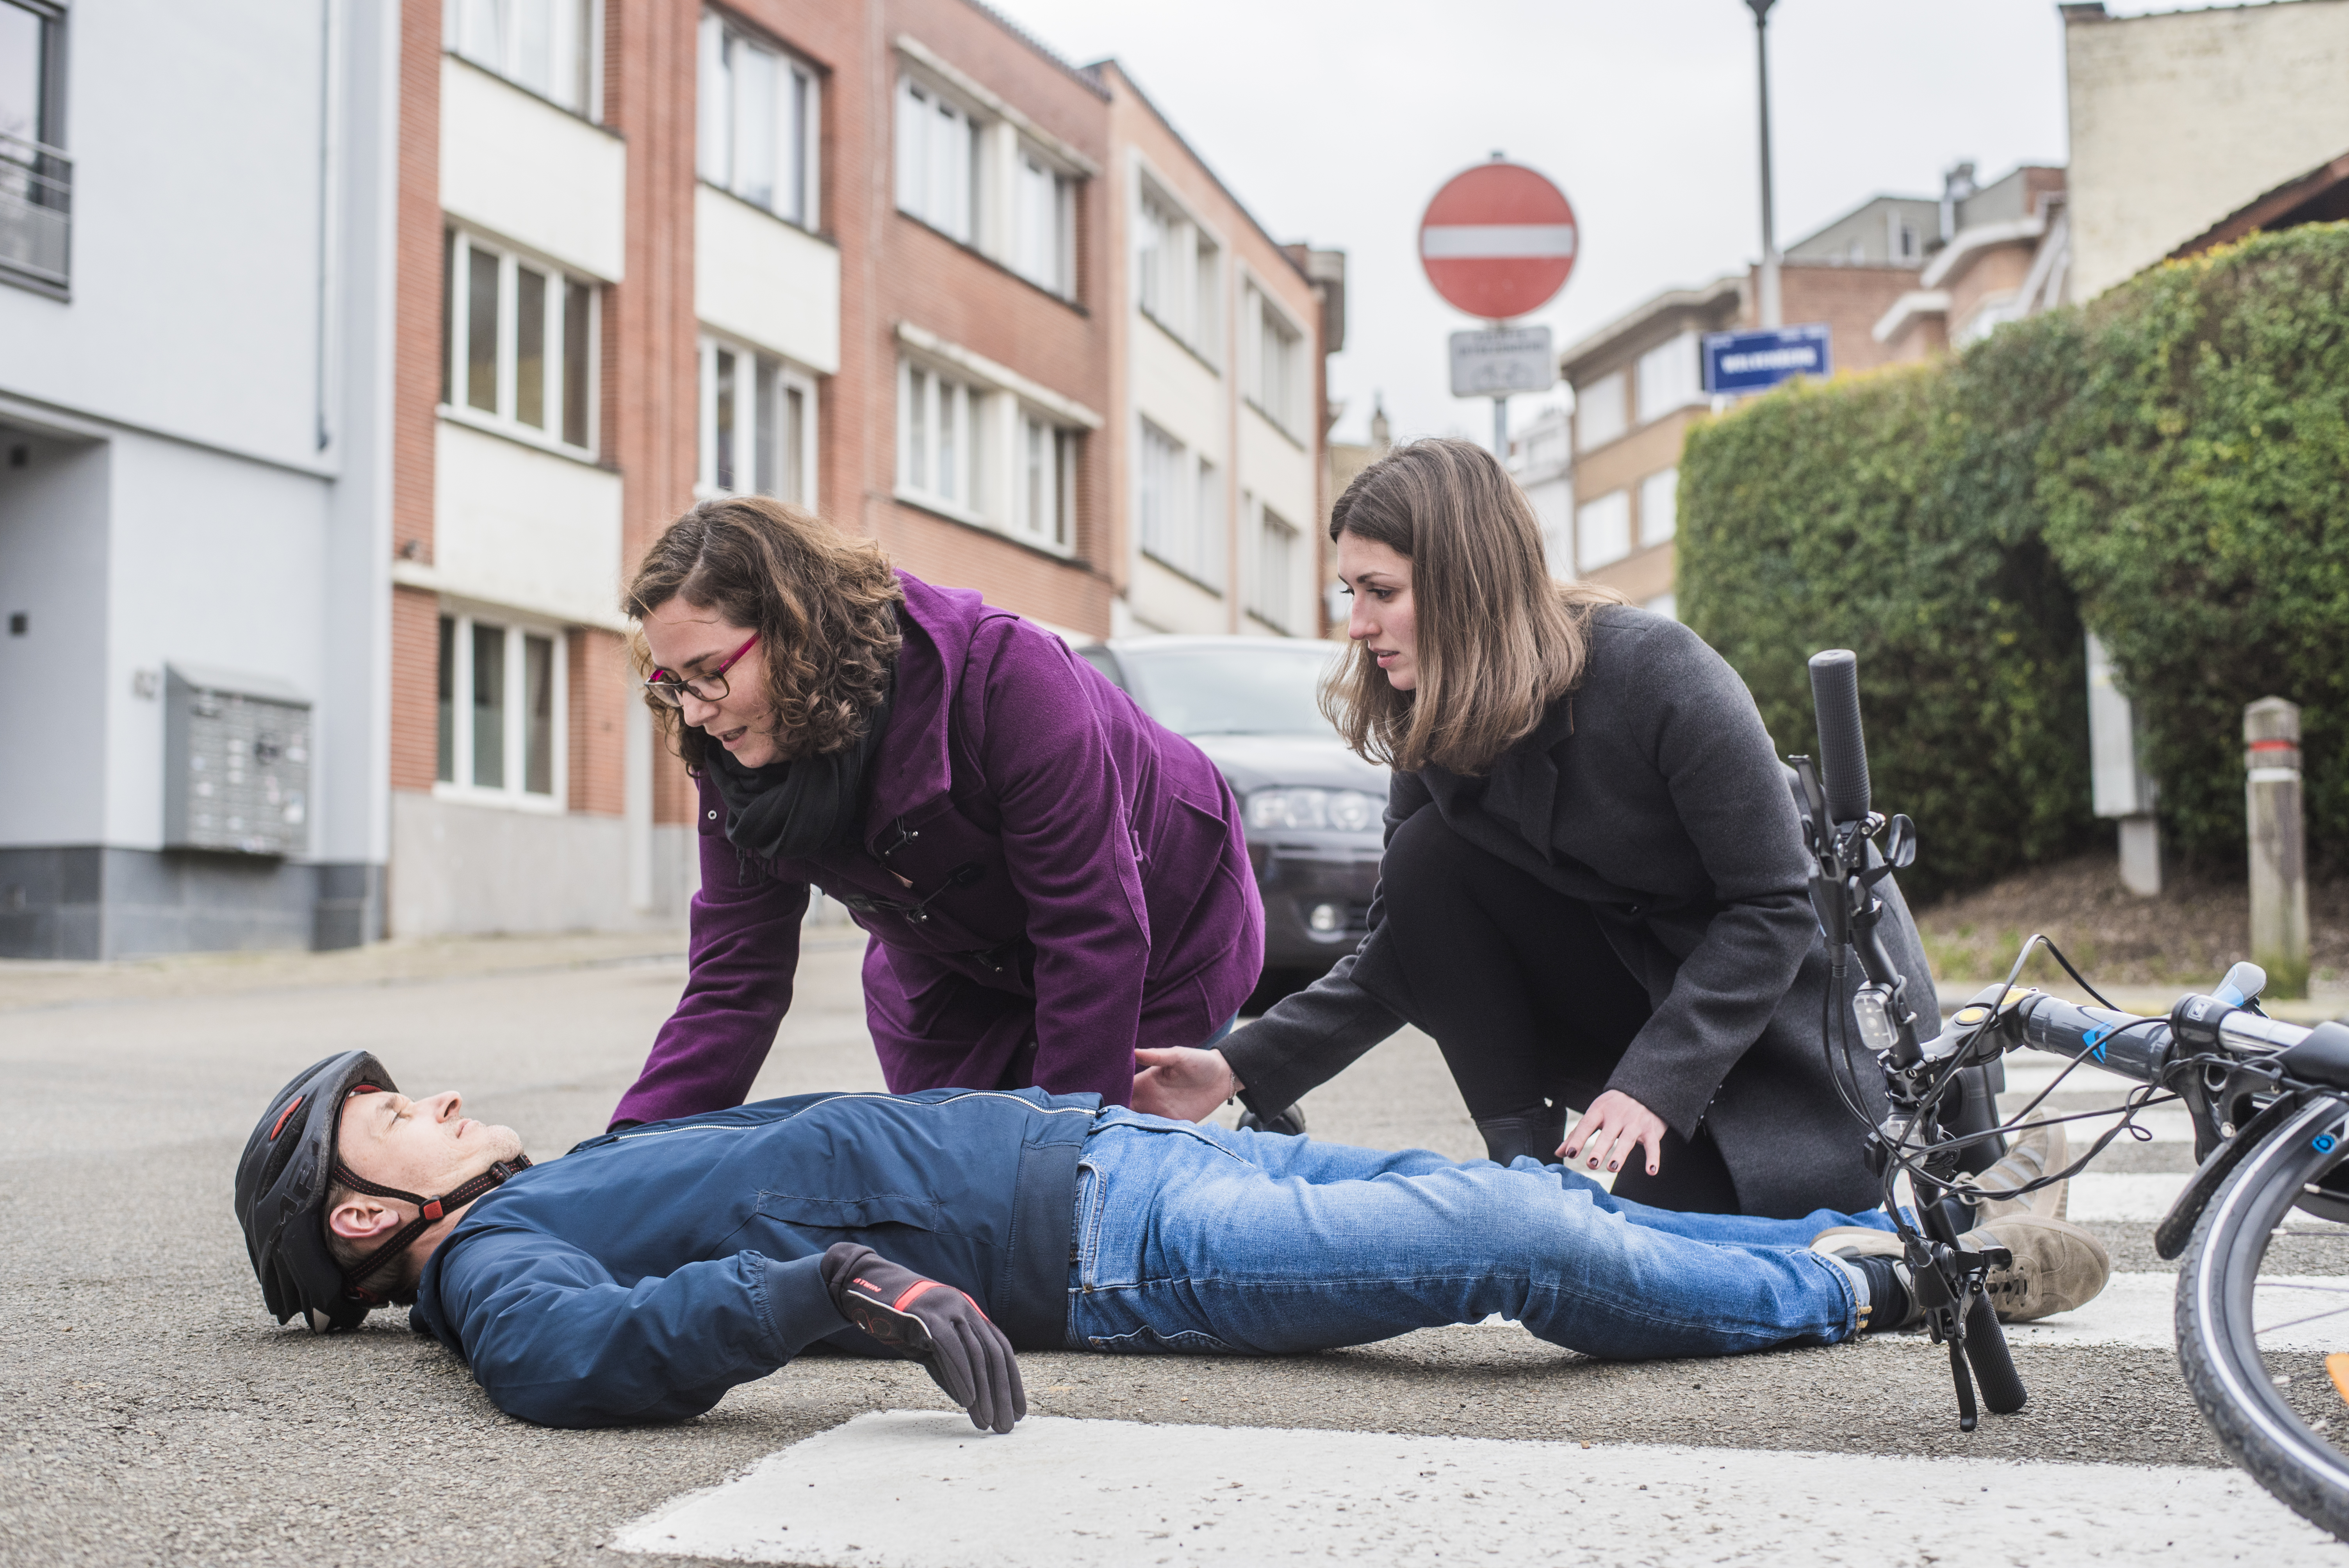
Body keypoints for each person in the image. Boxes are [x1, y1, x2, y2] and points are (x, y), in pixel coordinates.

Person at [233, 1053, 2108, 1432]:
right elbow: (573, 1367)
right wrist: (827, 1285)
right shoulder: (486, 1270)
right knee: (1503, 1232)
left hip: (1107, 1152)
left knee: (1532, 1205)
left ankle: (1870, 1221)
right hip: (1109, 1243)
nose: (442, 1091)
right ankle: (1876, 1281)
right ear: (363, 1213)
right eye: (396, 1108)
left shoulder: (547, 1182)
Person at [1131, 438, 1942, 1218]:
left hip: (1782, 1041)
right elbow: (1401, 949)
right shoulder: (1433, 721)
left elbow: (1773, 906)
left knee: (1701, 1234)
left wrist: (1652, 1084)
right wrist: (1233, 1068)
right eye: (1349, 593)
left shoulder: (1659, 673)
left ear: (1462, 585)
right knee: (1426, 859)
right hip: (1634, 1011)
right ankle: (1520, 1168)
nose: (1356, 624)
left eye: (1380, 591)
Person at [610, 497, 1263, 1127]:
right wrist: (616, 1163)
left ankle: (1234, 1126)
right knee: (960, 1175)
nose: (694, 709)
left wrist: (1069, 1157)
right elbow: (733, 980)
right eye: (673, 682)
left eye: (709, 671)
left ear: (797, 630)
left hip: (1152, 927)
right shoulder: (735, 749)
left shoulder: (1008, 679)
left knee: (1102, 1168)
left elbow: (1089, 931)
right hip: (948, 964)